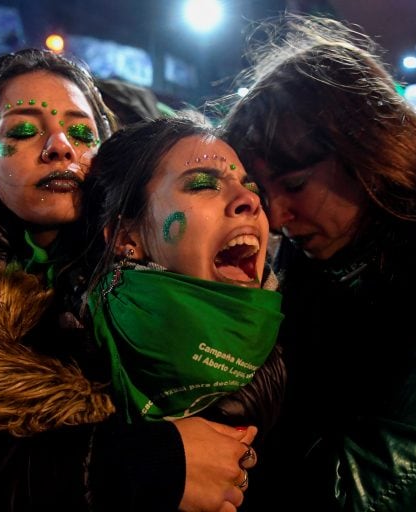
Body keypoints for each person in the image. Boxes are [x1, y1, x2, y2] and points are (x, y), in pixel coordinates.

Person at [0, 48, 255, 512]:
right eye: (24, 131)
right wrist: (134, 464)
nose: (60, 148)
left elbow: (244, 376)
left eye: (80, 132)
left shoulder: (143, 235)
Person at [219, 14, 416, 511]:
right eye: (264, 193)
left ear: (367, 154)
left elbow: (382, 488)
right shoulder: (317, 245)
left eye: (296, 184)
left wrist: (219, 457)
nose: (277, 216)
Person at [77, 114, 284, 427]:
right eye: (203, 185)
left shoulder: (302, 361)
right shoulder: (56, 364)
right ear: (127, 238)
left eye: (249, 186)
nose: (249, 200)